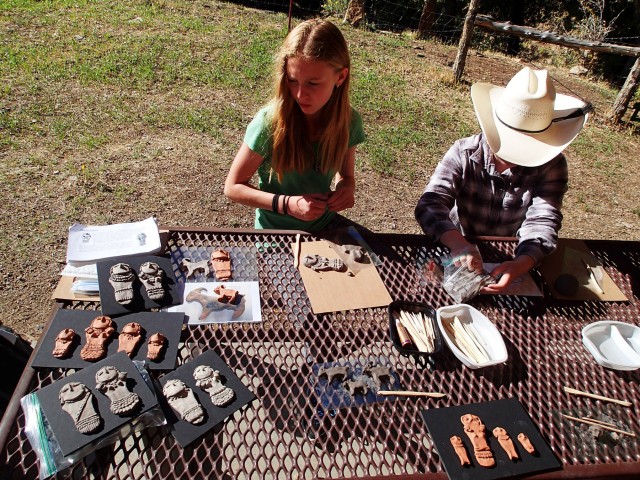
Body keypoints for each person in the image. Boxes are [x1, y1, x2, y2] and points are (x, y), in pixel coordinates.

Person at [415, 67, 590, 293]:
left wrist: (521, 263)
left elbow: (543, 221)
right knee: (434, 292)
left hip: (512, 249)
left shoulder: (552, 165)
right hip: (457, 240)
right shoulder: (464, 151)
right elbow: (430, 204)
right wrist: (457, 243)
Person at [224, 19, 365, 232]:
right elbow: (233, 187)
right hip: (275, 235)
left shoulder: (348, 121)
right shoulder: (269, 123)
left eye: (313, 83)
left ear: (341, 76)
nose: (300, 94)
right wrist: (287, 205)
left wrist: (347, 186)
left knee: (380, 262)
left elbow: (346, 175)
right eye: (292, 80)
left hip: (325, 226)